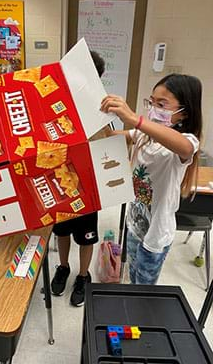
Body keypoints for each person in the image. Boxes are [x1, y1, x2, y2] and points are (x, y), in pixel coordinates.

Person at [101, 73, 202, 285]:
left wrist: (136, 120)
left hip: (155, 236)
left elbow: (183, 147)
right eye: (152, 101)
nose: (154, 108)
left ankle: (138, 316)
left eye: (162, 104)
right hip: (135, 224)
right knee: (132, 275)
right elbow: (112, 138)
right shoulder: (143, 136)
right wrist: (101, 116)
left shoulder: (187, 141)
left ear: (184, 113)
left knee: (143, 287)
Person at [51, 51, 105, 307]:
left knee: (86, 235)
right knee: (61, 230)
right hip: (60, 180)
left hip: (87, 185)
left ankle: (83, 275)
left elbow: (108, 146)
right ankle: (63, 267)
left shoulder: (100, 108)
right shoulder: (54, 101)